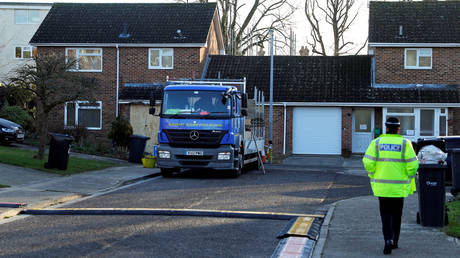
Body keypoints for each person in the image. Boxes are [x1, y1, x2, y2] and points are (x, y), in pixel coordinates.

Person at [362, 117, 419, 255]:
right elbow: (413, 165)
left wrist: (373, 174)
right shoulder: (405, 143)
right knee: (397, 215)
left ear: (386, 128)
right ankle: (395, 242)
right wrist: (408, 176)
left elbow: (367, 162)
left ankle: (387, 239)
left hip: (382, 188)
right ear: (399, 129)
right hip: (399, 189)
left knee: (385, 215)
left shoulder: (376, 143)